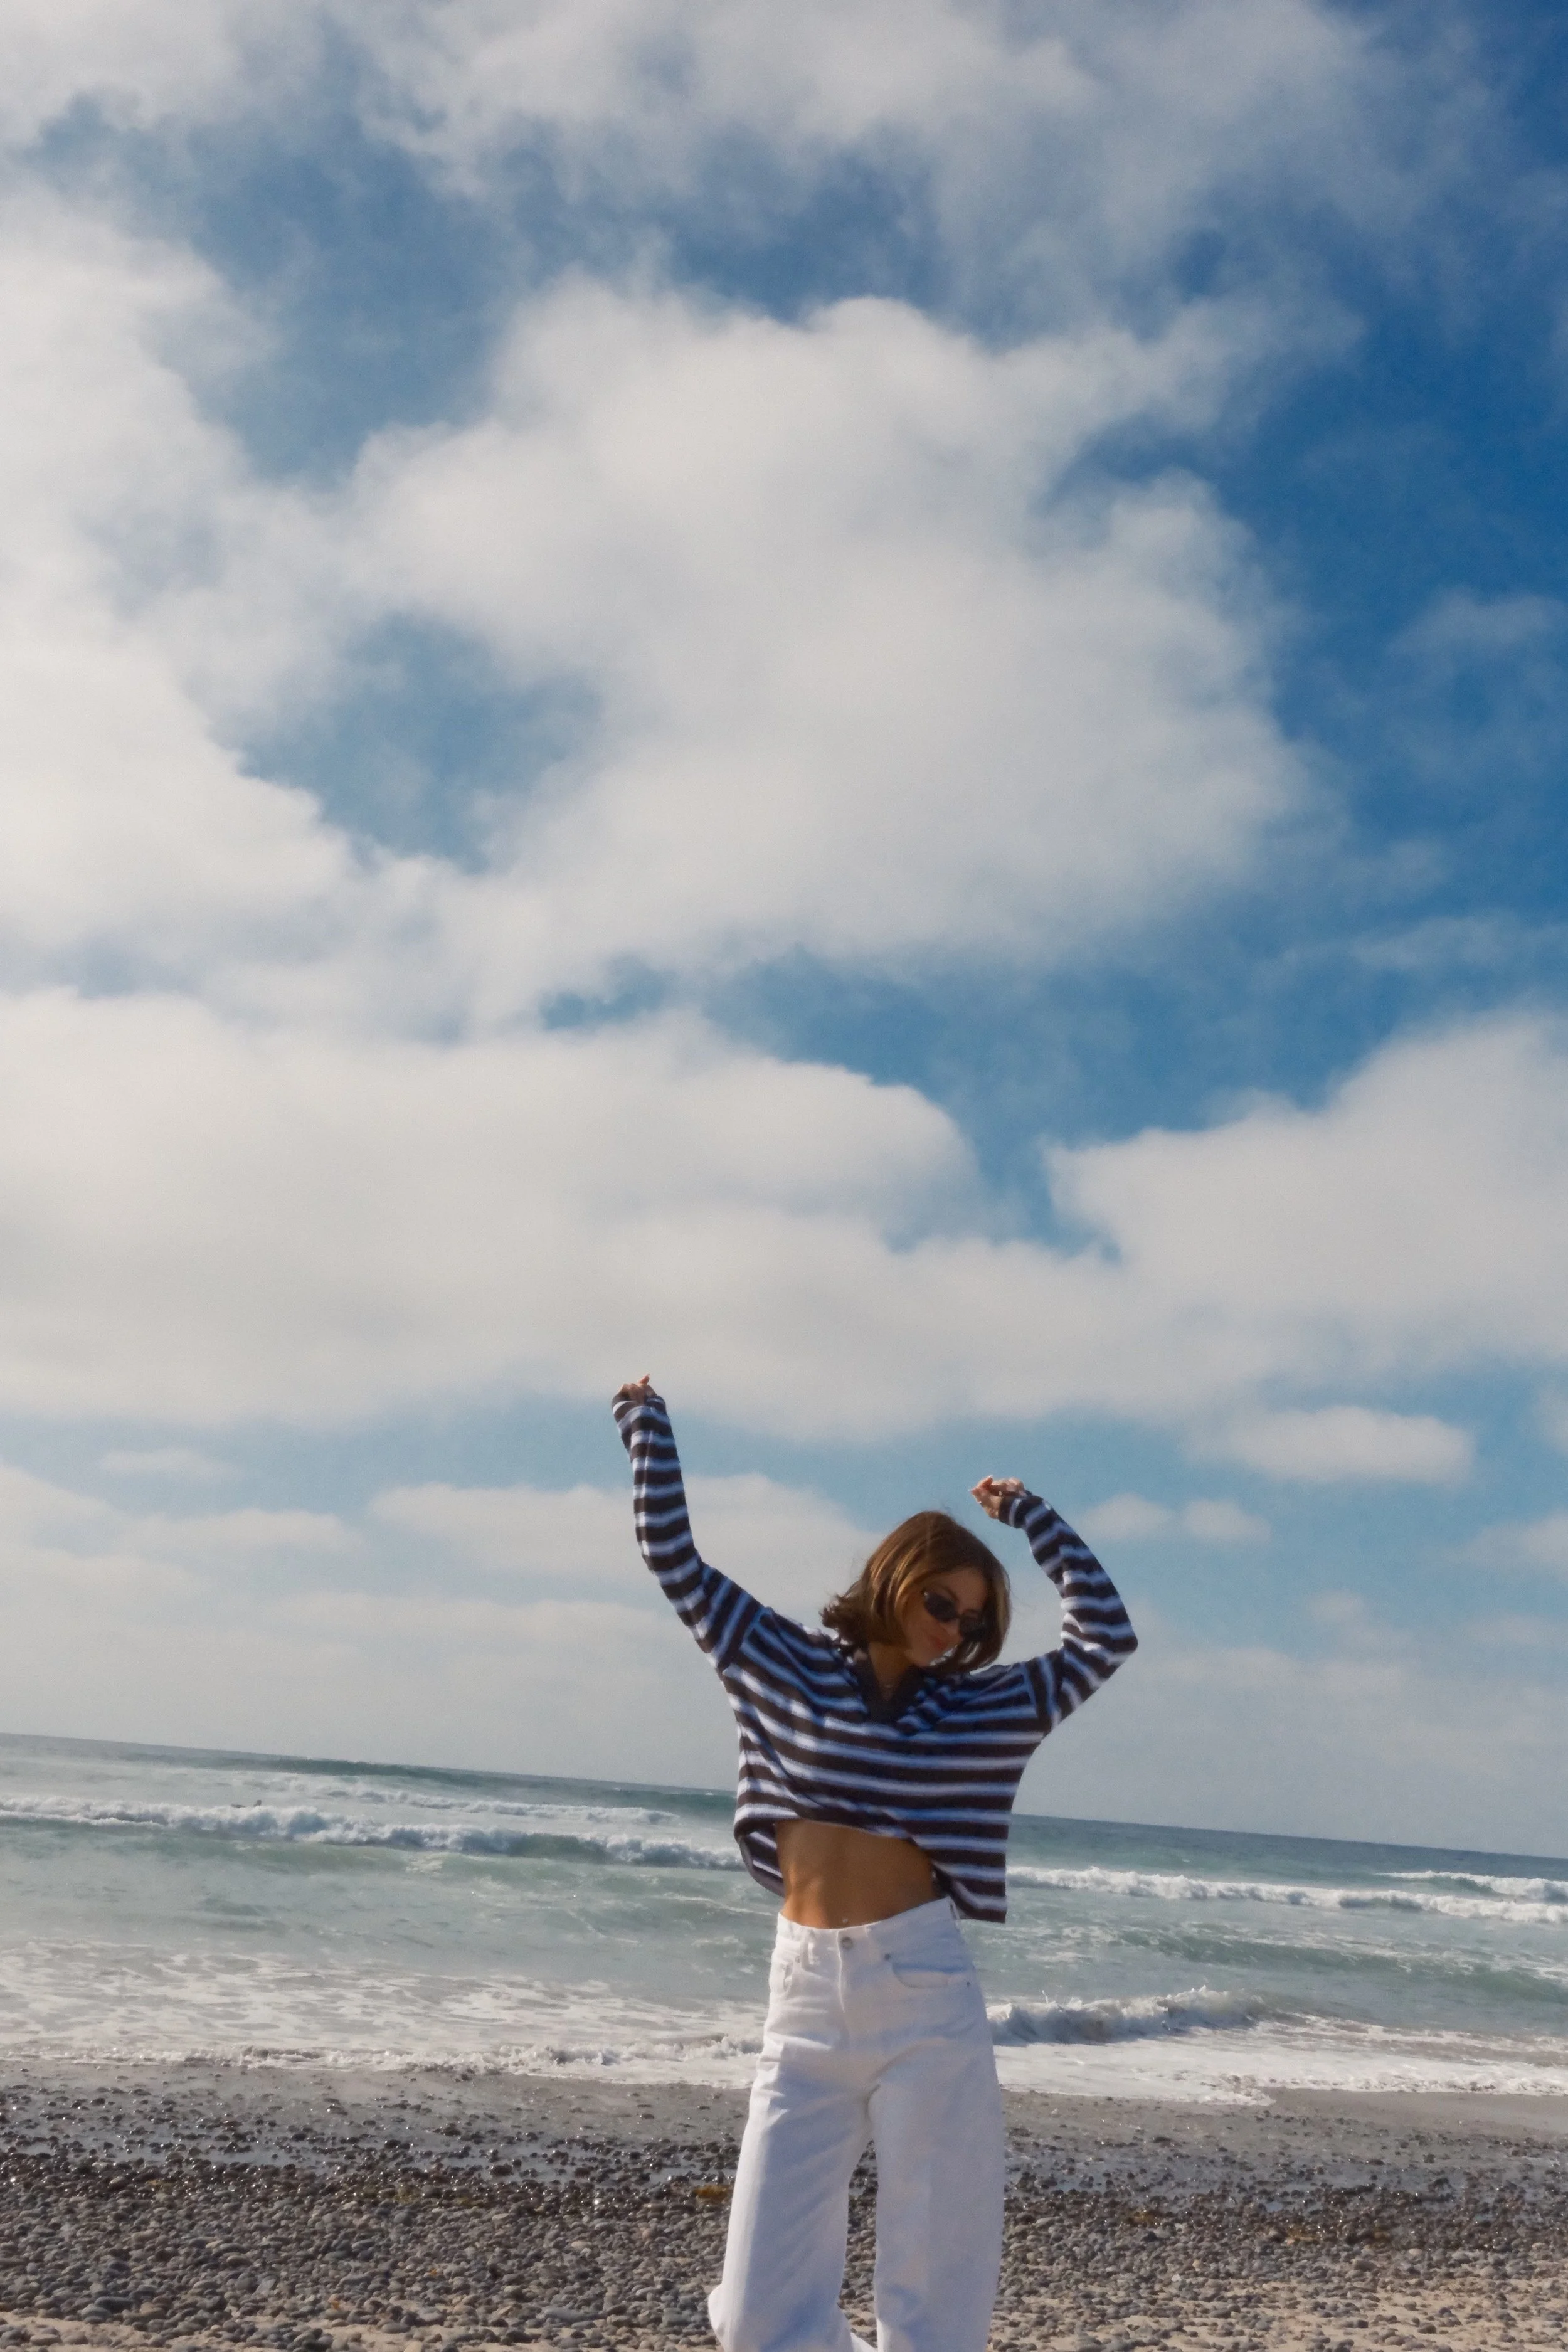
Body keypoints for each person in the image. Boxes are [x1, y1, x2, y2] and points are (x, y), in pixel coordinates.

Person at [612, 1374, 1138, 2352]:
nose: (954, 1629)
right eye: (942, 1601)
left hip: (922, 1997)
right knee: (758, 2318)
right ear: (896, 1574)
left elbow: (1107, 1636)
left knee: (932, 2306)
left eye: (974, 1622)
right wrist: (645, 1419)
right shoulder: (778, 1659)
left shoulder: (979, 1709)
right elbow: (671, 1556)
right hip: (803, 1999)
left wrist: (1033, 1516)